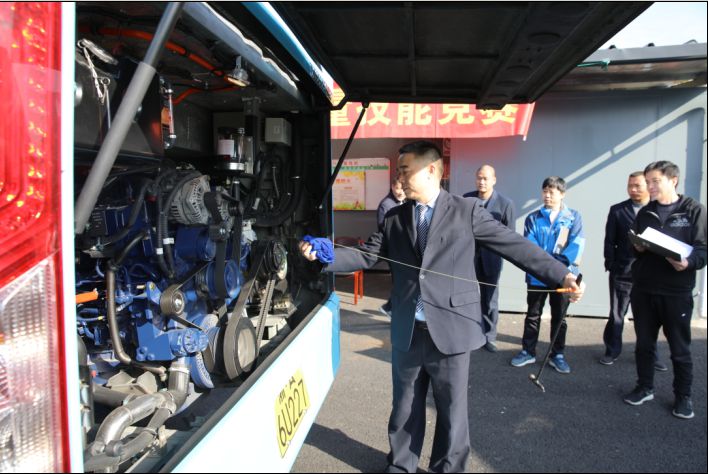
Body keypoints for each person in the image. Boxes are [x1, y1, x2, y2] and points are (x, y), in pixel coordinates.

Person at [299, 141, 585, 473]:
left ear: (432, 169)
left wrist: (562, 274)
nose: (399, 177)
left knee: (452, 412)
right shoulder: (394, 217)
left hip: (451, 329)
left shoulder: (467, 211)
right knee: (404, 407)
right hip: (408, 329)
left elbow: (515, 245)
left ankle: (447, 468)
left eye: (405, 170)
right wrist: (326, 255)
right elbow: (366, 255)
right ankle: (401, 465)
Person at [622, 161, 706, 420]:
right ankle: (644, 387)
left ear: (673, 180)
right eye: (648, 182)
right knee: (644, 344)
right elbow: (634, 246)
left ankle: (683, 397)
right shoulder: (646, 212)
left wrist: (688, 263)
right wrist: (637, 247)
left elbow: (703, 249)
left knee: (680, 349)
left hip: (676, 292)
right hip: (644, 290)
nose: (649, 187)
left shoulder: (694, 210)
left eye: (655, 181)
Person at [511, 176, 584, 374]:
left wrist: (556, 269)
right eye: (545, 191)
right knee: (533, 315)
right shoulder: (533, 218)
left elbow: (576, 245)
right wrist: (544, 267)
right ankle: (528, 351)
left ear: (562, 194)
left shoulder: (573, 217)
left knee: (559, 317)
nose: (547, 195)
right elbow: (530, 247)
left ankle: (557, 355)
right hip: (537, 276)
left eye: (552, 192)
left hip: (563, 277)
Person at [601, 172, 667, 371]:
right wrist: (611, 264)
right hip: (622, 271)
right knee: (617, 314)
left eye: (637, 185)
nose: (633, 189)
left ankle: (651, 354)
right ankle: (612, 350)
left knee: (648, 317)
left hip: (649, 274)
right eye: (630, 185)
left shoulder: (657, 210)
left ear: (647, 186)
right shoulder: (618, 210)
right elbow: (609, 240)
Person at [463, 165, 515, 352]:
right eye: (479, 178)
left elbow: (509, 234)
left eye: (485, 178)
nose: (482, 182)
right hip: (468, 257)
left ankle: (489, 336)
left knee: (490, 299)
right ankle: (470, 333)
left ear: (494, 180)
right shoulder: (467, 199)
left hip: (491, 259)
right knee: (467, 297)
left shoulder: (505, 203)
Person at [377, 176, 406, 318]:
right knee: (399, 280)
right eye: (397, 188)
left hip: (404, 250)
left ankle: (391, 307)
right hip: (394, 250)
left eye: (403, 188)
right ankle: (391, 308)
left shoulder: (405, 201)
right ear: (392, 187)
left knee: (402, 281)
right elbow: (383, 229)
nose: (400, 192)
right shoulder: (386, 205)